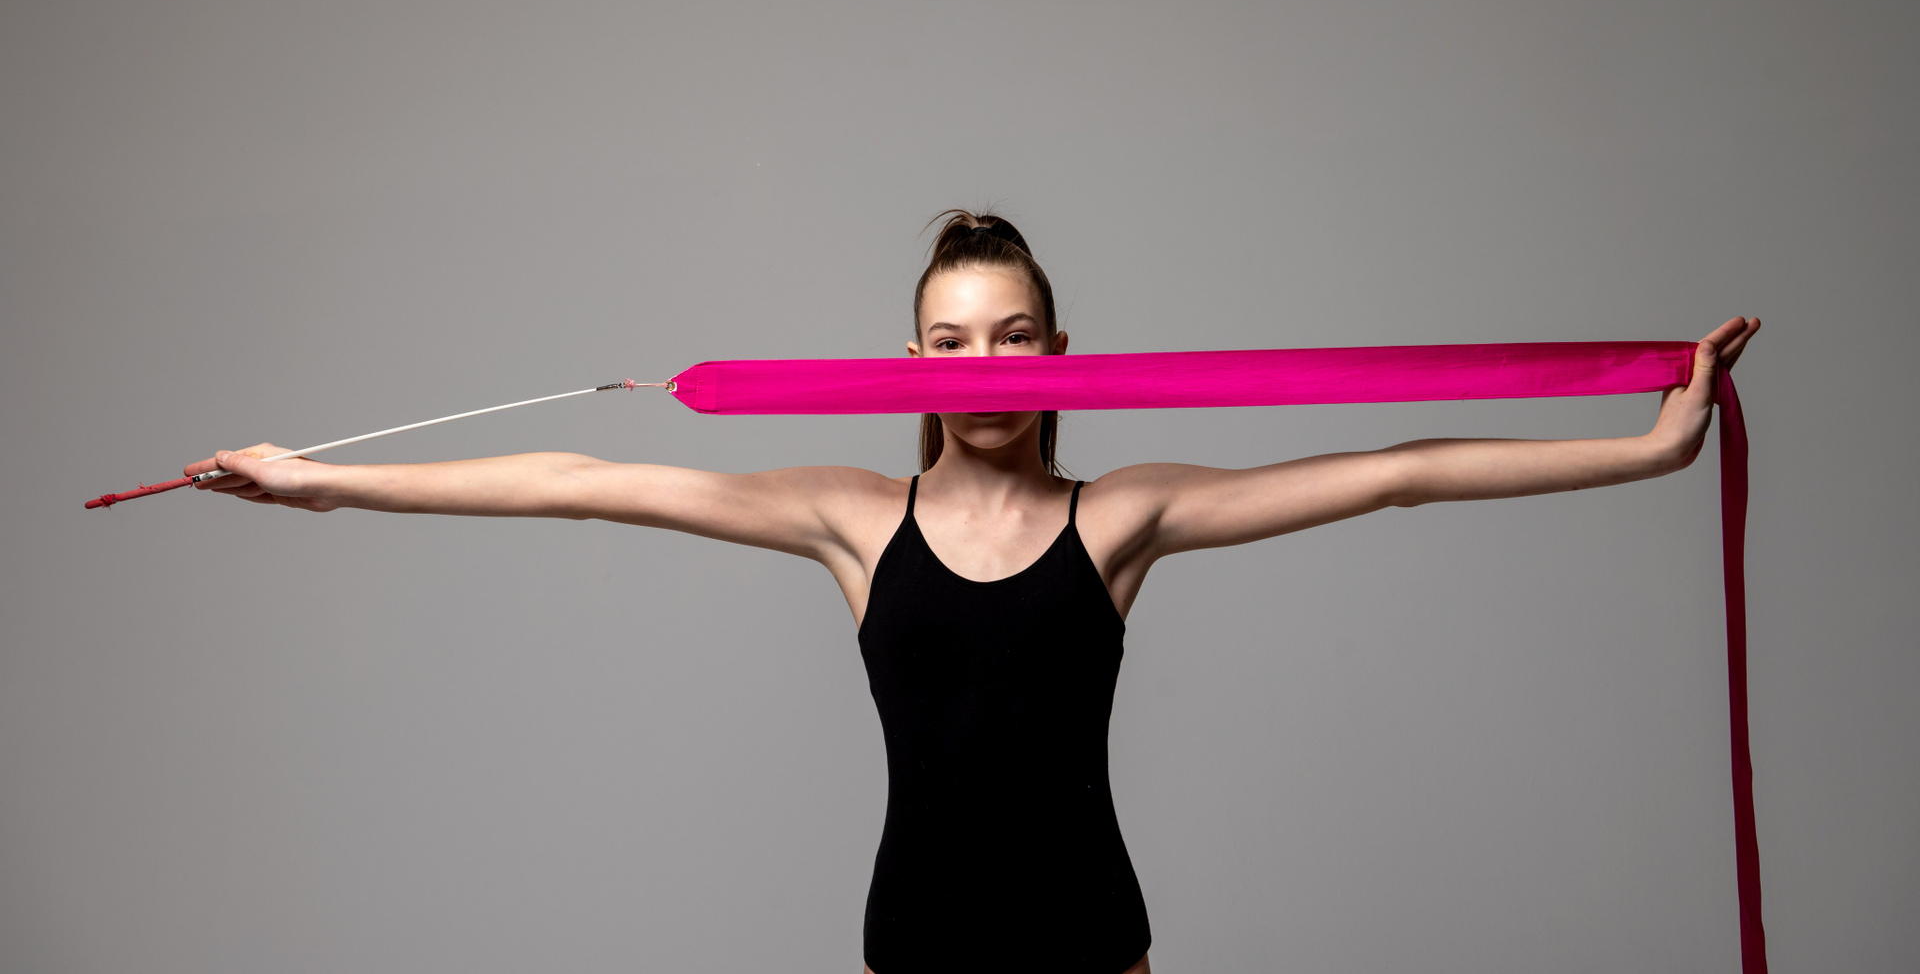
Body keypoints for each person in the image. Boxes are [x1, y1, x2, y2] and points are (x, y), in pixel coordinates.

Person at [189, 210, 1761, 974]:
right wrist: (323, 479)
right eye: (951, 341)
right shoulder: (848, 518)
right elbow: (576, 478)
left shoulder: (1125, 514)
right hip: (918, 948)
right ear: (909, 361)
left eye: (1014, 336)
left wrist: (1648, 446)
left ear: (1060, 352)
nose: (985, 364)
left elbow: (1396, 467)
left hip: (1097, 945)